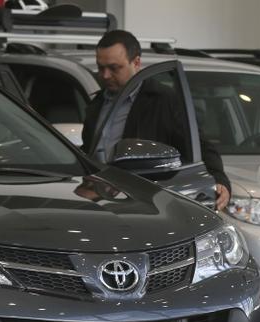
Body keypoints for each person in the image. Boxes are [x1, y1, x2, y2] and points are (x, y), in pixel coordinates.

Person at [82, 30, 231, 211]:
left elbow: (199, 144)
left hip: (143, 199)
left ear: (136, 62)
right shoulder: (97, 103)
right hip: (99, 198)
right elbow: (91, 150)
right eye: (101, 67)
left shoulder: (163, 100)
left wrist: (218, 179)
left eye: (114, 68)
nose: (105, 75)